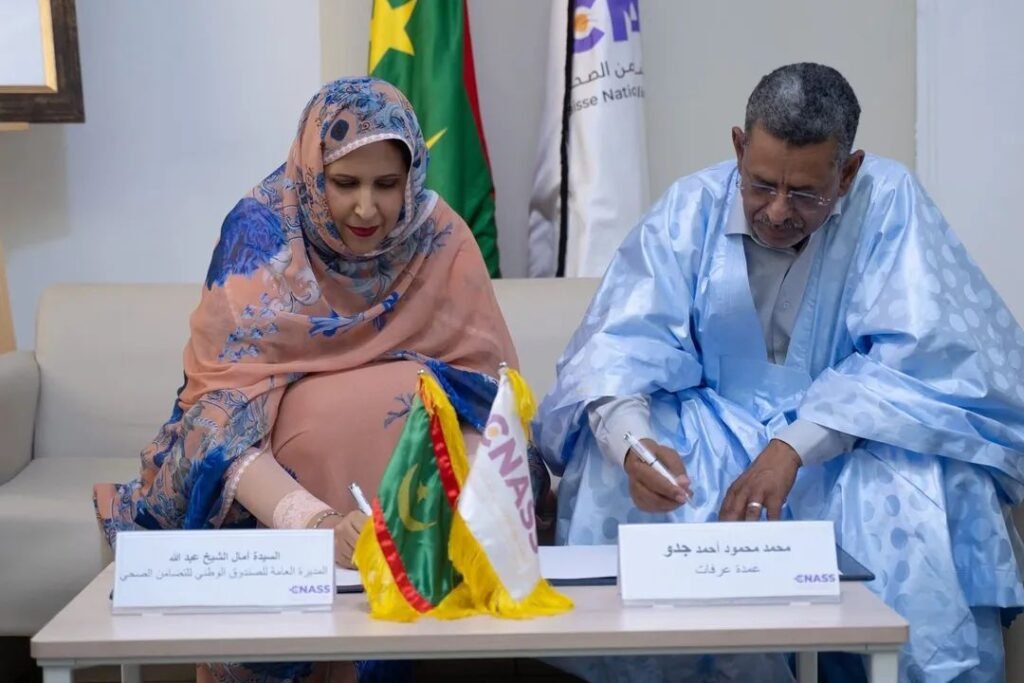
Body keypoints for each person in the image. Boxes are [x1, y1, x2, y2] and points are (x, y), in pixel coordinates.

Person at [535, 62, 1024, 682]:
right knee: (614, 458)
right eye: (761, 184)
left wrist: (793, 446)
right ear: (739, 148)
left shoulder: (890, 202)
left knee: (919, 482)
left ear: (848, 172)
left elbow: (924, 363)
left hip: (849, 440)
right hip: (708, 432)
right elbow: (617, 349)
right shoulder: (689, 207)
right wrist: (634, 447)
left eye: (806, 194)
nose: (776, 211)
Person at [94, 77, 538, 683]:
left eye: (387, 185)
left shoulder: (439, 236)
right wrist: (315, 526)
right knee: (266, 428)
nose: (367, 209)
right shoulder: (260, 234)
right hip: (282, 495)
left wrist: (462, 500)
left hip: (417, 513)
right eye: (345, 183)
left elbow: (487, 397)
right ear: (312, 171)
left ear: (411, 178)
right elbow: (217, 419)